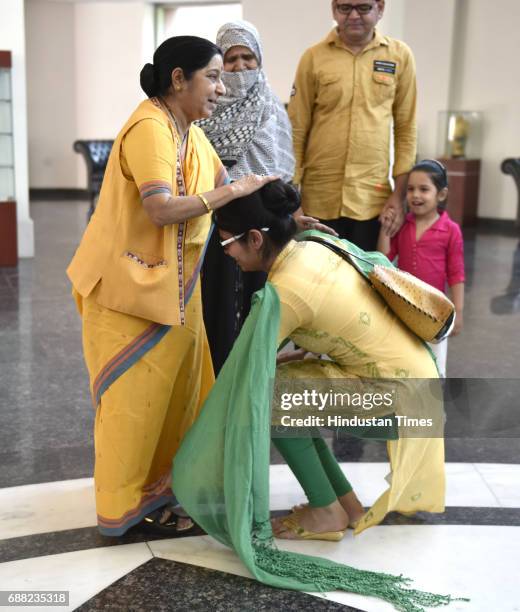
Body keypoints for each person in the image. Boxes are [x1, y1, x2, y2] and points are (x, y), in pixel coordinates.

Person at [170, 181, 451, 607]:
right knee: (287, 385)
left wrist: (190, 466)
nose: (225, 252)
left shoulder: (286, 292)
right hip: (418, 387)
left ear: (256, 238)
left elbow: (242, 377)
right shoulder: (312, 244)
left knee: (271, 398)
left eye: (226, 242)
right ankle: (344, 504)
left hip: (398, 402)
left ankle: (325, 512)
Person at [66, 35, 275, 536]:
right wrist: (230, 189)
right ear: (178, 78)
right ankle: (121, 511)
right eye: (213, 76)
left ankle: (163, 494)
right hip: (127, 294)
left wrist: (288, 223)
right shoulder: (149, 128)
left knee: (179, 397)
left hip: (175, 295)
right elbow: (159, 209)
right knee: (132, 411)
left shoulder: (191, 133)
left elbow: (235, 205)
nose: (221, 88)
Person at [197, 20, 295, 373]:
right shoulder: (206, 106)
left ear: (260, 59)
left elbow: (280, 166)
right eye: (231, 59)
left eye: (247, 58)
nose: (240, 67)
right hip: (213, 223)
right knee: (217, 303)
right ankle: (217, 376)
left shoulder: (271, 108)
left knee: (259, 301)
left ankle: (256, 374)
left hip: (262, 227)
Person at [288, 0, 417, 250]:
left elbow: (406, 129)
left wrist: (399, 196)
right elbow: (296, 129)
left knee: (365, 281)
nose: (354, 15)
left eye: (364, 8)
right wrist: (293, 200)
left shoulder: (399, 56)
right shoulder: (313, 58)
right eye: (345, 8)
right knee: (318, 282)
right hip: (318, 197)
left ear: (380, 8)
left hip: (372, 197)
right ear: (334, 9)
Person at [377, 159, 465, 377]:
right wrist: (385, 228)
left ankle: (434, 408)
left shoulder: (450, 230)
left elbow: (456, 273)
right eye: (410, 189)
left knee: (435, 366)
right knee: (405, 361)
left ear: (441, 195)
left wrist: (459, 312)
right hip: (404, 305)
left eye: (424, 189)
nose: (415, 195)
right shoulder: (403, 225)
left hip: (436, 311)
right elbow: (384, 259)